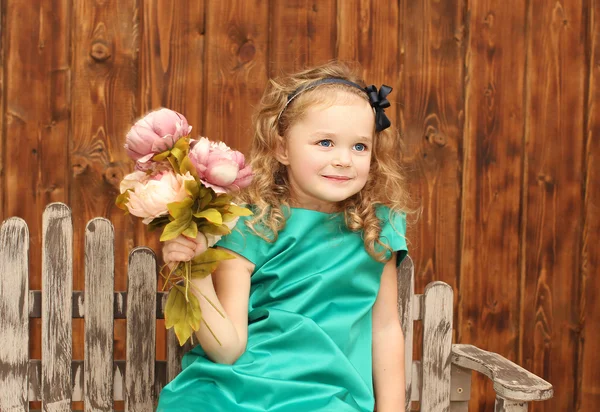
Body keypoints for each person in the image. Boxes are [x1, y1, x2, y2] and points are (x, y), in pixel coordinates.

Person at [157, 61, 412, 412]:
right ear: (282, 148)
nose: (343, 160)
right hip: (239, 393)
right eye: (325, 142)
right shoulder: (250, 226)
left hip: (328, 399)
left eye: (359, 147)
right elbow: (227, 349)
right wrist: (196, 271)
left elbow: (384, 329)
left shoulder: (377, 228)